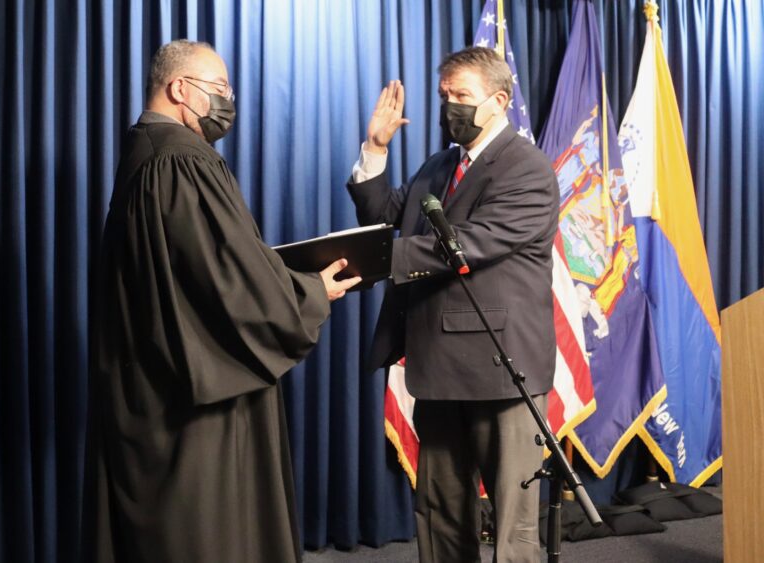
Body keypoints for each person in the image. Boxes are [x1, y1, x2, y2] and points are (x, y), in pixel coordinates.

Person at [85, 39, 360, 563]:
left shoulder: (142, 152)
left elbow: (199, 268)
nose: (227, 100)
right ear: (180, 88)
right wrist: (309, 291)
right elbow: (230, 286)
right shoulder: (182, 162)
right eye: (219, 88)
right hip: (190, 405)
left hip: (145, 388)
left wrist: (271, 271)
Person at [347, 47, 559, 562]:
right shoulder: (442, 164)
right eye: (445, 96)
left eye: (462, 96)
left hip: (500, 368)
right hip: (437, 365)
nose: (449, 107)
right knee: (440, 514)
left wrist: (366, 261)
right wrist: (375, 148)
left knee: (512, 528)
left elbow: (465, 244)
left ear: (499, 100)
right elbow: (382, 213)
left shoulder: (526, 169)